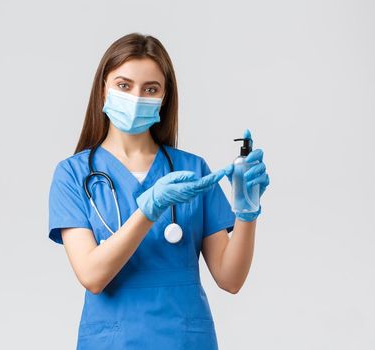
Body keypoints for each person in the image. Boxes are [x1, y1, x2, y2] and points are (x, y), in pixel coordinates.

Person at [47, 33, 270, 349]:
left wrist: (247, 210)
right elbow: (92, 275)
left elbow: (230, 279)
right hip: (114, 341)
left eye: (150, 89)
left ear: (164, 97)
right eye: (124, 85)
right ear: (102, 90)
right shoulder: (73, 174)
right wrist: (148, 211)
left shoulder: (192, 171)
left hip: (185, 340)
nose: (137, 97)